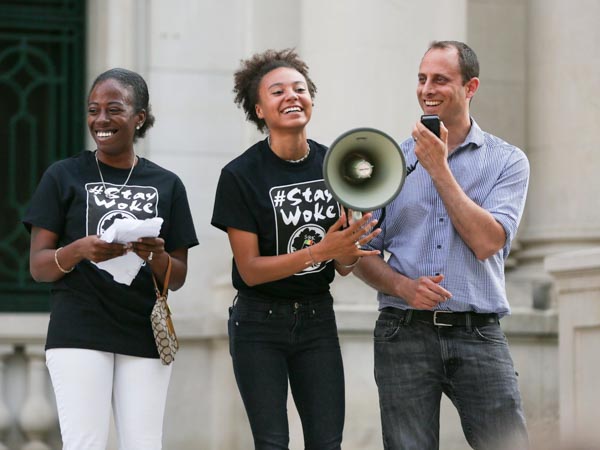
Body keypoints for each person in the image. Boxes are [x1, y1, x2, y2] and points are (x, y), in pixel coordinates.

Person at [353, 41, 530, 450]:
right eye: (421, 79)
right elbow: (360, 254)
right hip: (403, 332)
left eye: (440, 79)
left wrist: (438, 168)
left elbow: (487, 242)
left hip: (478, 331)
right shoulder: (389, 161)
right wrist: (403, 287)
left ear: (470, 87)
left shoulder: (507, 161)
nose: (427, 89)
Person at [211, 48, 381, 450]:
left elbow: (342, 265)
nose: (291, 96)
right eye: (277, 91)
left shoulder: (334, 163)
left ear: (311, 99)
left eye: (299, 88)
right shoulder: (239, 175)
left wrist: (348, 246)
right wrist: (320, 251)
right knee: (272, 444)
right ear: (259, 109)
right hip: (257, 324)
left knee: (327, 443)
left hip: (317, 319)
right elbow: (250, 269)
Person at [23, 68, 198, 450]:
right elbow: (38, 266)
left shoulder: (167, 183)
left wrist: (156, 255)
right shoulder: (63, 175)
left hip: (143, 331)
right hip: (79, 329)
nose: (100, 120)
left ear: (139, 117)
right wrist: (79, 250)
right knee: (85, 443)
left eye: (114, 109)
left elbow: (179, 276)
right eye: (93, 109)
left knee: (144, 443)